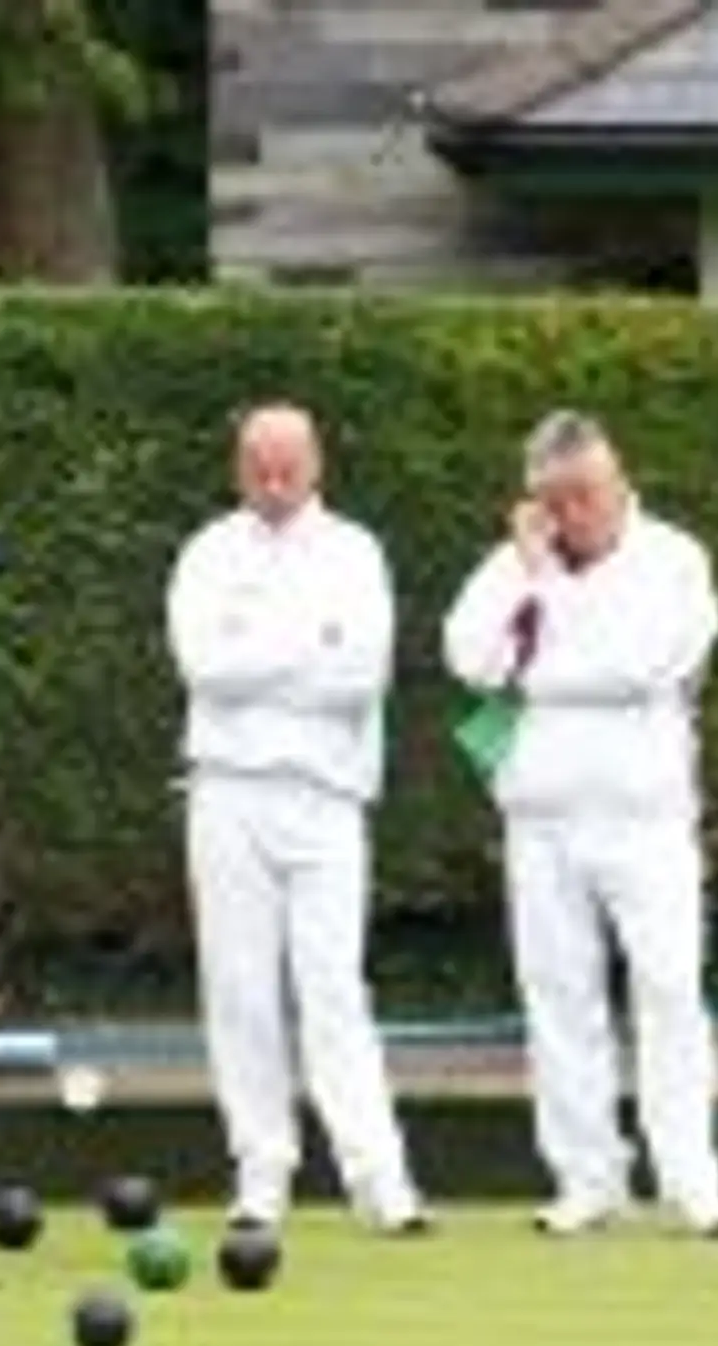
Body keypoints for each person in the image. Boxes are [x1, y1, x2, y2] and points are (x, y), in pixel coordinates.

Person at [442, 410, 718, 1240]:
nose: (576, 513)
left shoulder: (675, 560)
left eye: (588, 493)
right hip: (541, 818)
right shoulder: (512, 565)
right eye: (557, 499)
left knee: (669, 990)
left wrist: (551, 621)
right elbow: (469, 658)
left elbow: (639, 665)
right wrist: (530, 577)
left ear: (617, 481)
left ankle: (692, 1181)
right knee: (558, 997)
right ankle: (586, 1179)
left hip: (645, 817)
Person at [166, 402, 429, 1234]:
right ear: (238, 469)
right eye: (259, 468)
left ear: (316, 465)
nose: (274, 483)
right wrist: (308, 642)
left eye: (288, 467)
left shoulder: (356, 551)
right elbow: (203, 666)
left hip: (326, 791)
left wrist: (260, 652)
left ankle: (379, 1180)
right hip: (228, 787)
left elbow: (360, 675)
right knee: (239, 986)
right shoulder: (208, 552)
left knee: (334, 987)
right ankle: (261, 1175)